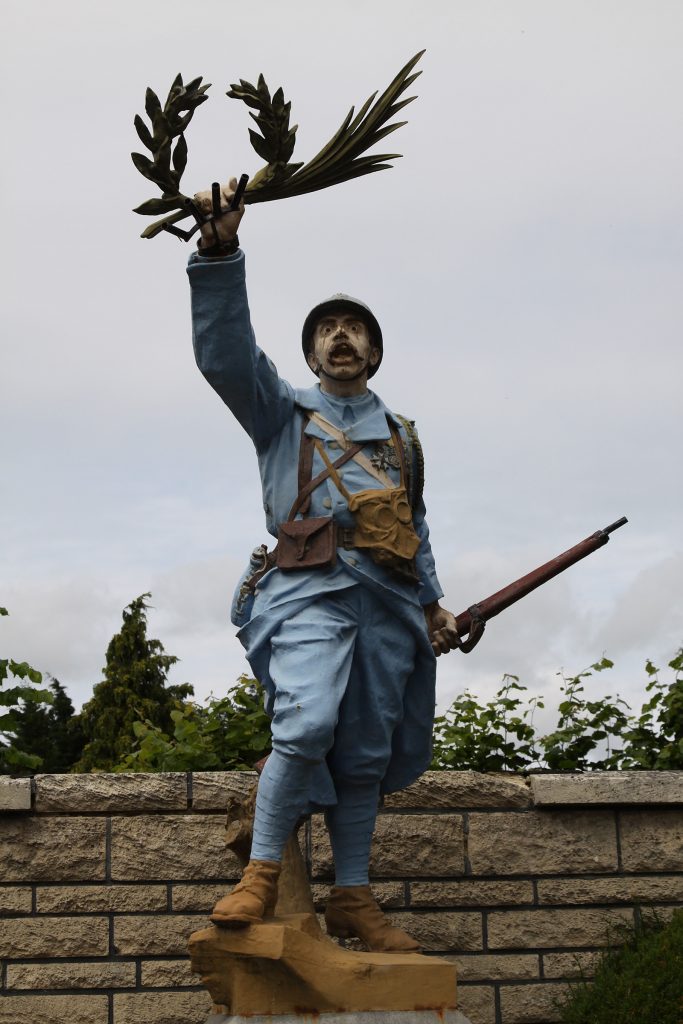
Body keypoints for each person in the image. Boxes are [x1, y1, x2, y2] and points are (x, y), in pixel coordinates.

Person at [187, 178, 460, 952]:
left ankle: (353, 897)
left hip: (388, 601)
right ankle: (261, 874)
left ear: (373, 350)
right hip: (306, 585)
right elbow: (227, 356)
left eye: (354, 329)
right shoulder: (282, 411)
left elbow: (413, 523)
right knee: (303, 722)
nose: (341, 337)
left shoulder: (402, 436)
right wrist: (218, 253)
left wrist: (435, 604)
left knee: (367, 753)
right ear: (311, 351)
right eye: (327, 330)